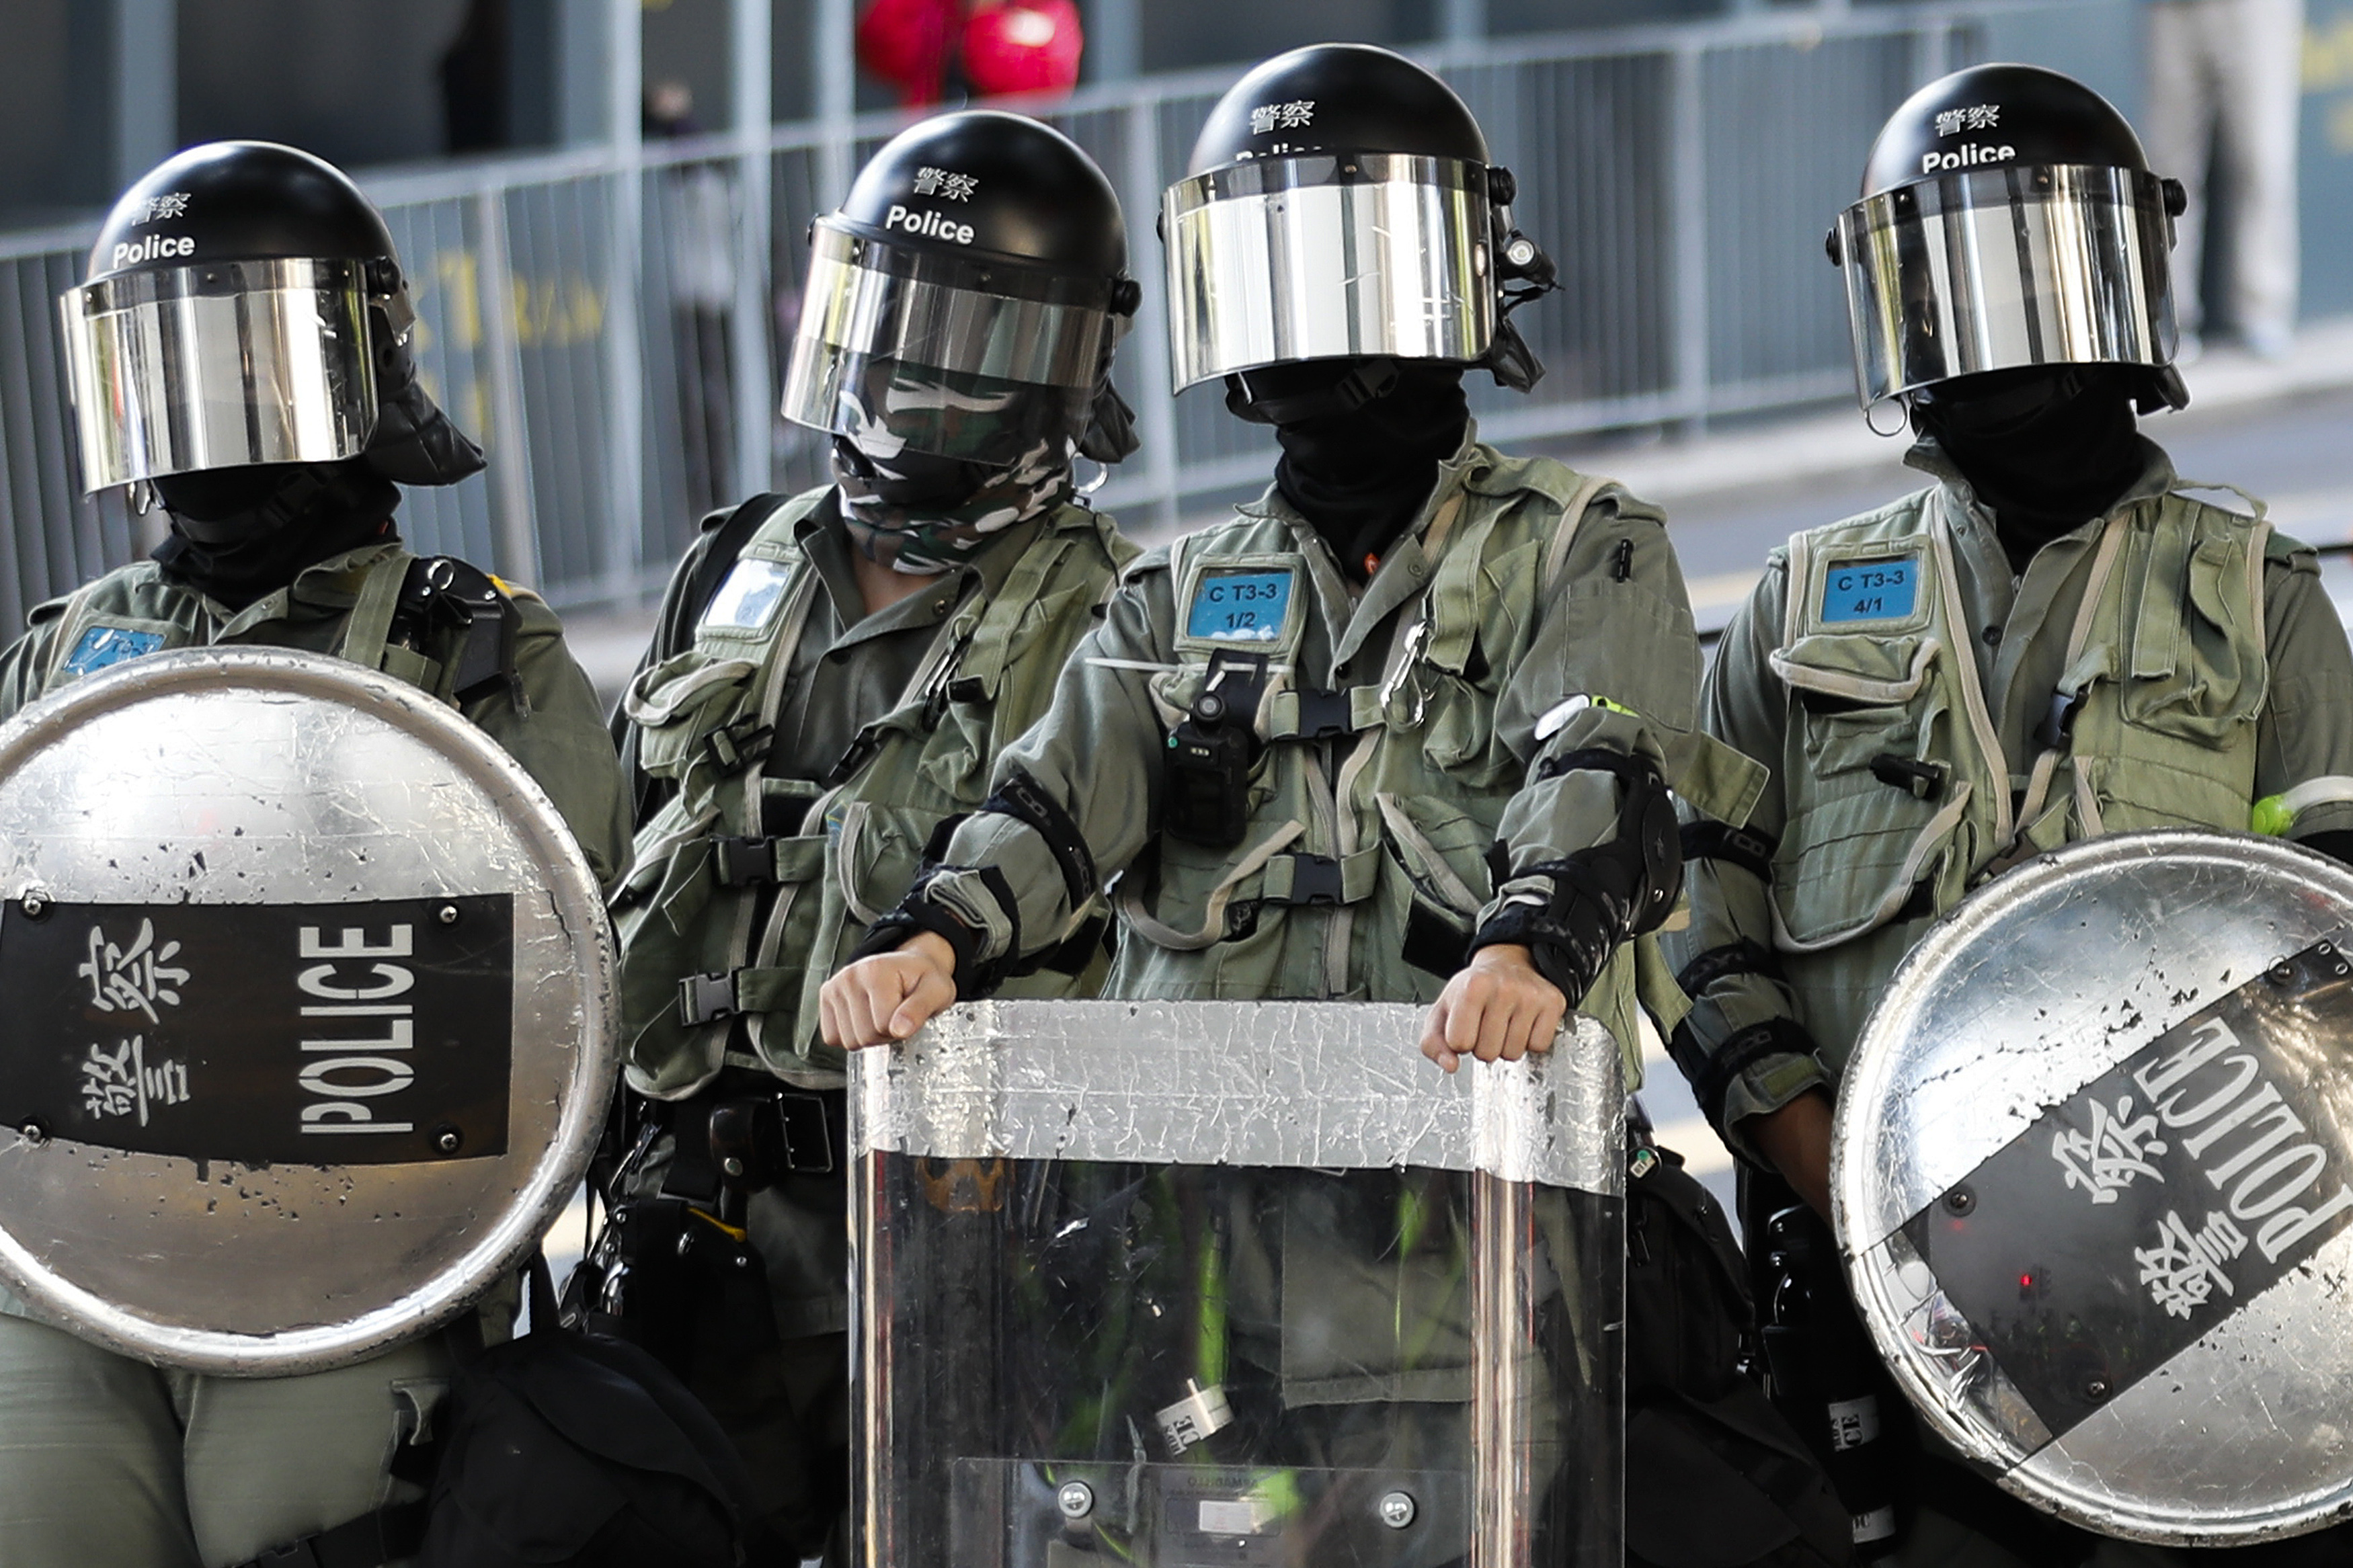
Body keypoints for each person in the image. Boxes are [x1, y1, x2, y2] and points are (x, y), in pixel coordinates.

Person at [820, 45, 1767, 1561]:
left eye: (1355, 269)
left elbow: (1595, 760)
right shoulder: (1179, 590)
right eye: (1271, 269)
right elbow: (1058, 800)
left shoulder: (1577, 545)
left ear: (1457, 283)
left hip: (1466, 1230)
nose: (1316, 326)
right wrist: (934, 934)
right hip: (1199, 1243)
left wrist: (1526, 948)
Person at [1668, 63, 2353, 1566]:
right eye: (1948, 283)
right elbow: (1694, 923)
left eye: (2032, 277)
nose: (1996, 340)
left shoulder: (2259, 597)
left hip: (2201, 1302)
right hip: (1862, 1291)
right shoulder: (1793, 597)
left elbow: (2333, 979)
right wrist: (1837, 1186)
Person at [0, 140, 629, 1568]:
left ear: (360, 369)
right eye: (166, 365)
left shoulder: (474, 642)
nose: (204, 413)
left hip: (358, 1247)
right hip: (69, 1249)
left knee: (293, 1532)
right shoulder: (69, 640)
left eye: (247, 359)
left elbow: (571, 954)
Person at [599, 108, 1142, 1565]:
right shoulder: (736, 562)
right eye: (889, 317)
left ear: (1059, 371)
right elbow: (612, 857)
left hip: (954, 1241)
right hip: (689, 1225)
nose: (914, 374)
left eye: (967, 339)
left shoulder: (1114, 617)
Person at [2143, 0, 2305, 360]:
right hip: (2173, 9)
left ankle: (2263, 309)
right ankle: (2172, 315)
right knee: (2170, 169)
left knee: (2261, 158)